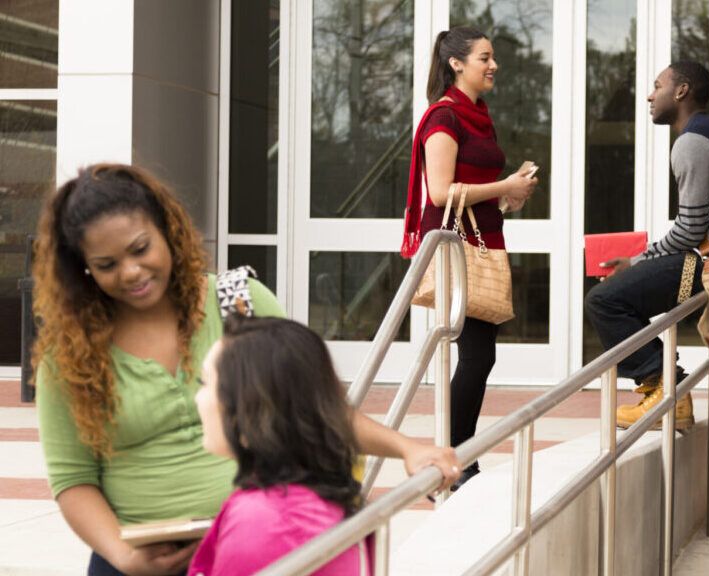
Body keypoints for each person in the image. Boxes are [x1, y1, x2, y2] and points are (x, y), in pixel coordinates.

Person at [33, 164, 459, 576]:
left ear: (166, 229)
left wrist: (407, 448)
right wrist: (124, 557)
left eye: (140, 248)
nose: (130, 272)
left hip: (260, 548)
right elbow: (73, 480)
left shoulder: (239, 302)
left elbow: (314, 407)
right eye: (106, 265)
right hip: (134, 566)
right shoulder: (69, 356)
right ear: (83, 268)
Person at [584, 61, 709, 430]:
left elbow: (689, 228)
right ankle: (665, 386)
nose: (650, 95)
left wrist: (636, 262)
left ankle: (666, 387)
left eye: (657, 85)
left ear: (681, 91)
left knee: (605, 300)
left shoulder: (693, 141)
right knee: (619, 295)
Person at [401, 27, 539, 490]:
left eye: (493, 56)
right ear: (456, 63)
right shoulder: (444, 117)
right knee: (477, 355)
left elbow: (472, 193)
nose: (493, 64)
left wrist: (507, 199)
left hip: (481, 239)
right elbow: (440, 193)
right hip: (455, 248)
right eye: (484, 57)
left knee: (480, 356)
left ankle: (461, 456)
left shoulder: (479, 114)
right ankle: (459, 459)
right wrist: (505, 186)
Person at [189, 316, 372, 575]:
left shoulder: (264, 523)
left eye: (204, 382)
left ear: (249, 415)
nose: (197, 398)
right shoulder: (313, 501)